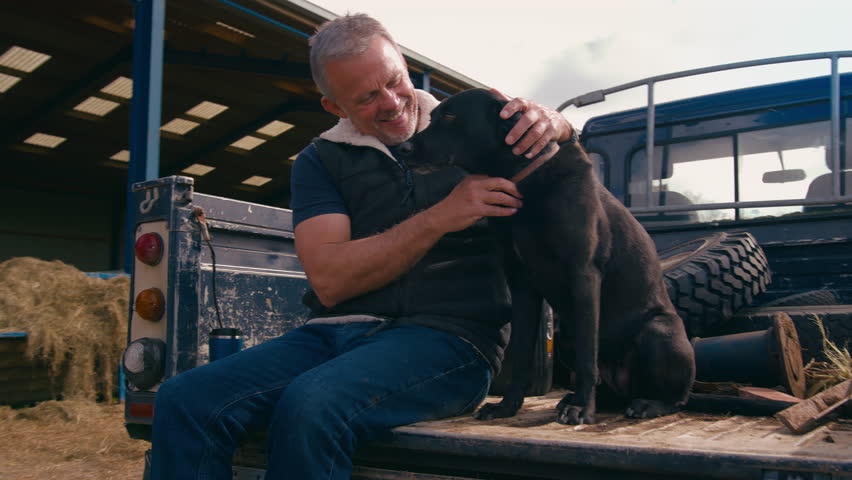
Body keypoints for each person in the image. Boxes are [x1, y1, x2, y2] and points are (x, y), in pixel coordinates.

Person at [150, 13, 575, 480]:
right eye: (367, 98)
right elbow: (331, 281)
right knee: (183, 400)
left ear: (405, 67)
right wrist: (440, 217)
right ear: (334, 107)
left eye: (395, 81)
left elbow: (563, 173)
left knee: (313, 405)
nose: (392, 103)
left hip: (450, 339)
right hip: (332, 334)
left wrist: (558, 125)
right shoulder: (320, 160)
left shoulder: (473, 122)